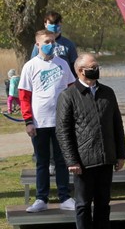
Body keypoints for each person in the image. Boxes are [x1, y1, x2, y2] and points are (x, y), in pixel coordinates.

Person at [56, 54, 125, 228]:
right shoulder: (68, 95)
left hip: (106, 158)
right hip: (83, 161)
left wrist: (120, 154)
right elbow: (63, 131)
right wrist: (72, 160)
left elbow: (117, 124)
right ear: (81, 71)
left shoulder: (107, 92)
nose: (97, 69)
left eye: (97, 66)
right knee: (83, 204)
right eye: (93, 67)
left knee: (103, 204)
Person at [19, 30, 77, 212]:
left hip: (61, 121)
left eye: (52, 41)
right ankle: (41, 198)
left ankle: (65, 197)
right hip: (39, 122)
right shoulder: (30, 66)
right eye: (46, 41)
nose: (50, 44)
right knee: (42, 162)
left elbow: (71, 90)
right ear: (37, 45)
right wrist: (28, 121)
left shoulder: (63, 65)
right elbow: (24, 96)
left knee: (62, 161)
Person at [30, 10, 78, 78]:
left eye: (56, 23)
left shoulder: (68, 44)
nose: (54, 26)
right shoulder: (39, 45)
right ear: (45, 24)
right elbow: (33, 64)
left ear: (60, 24)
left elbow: (74, 67)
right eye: (51, 23)